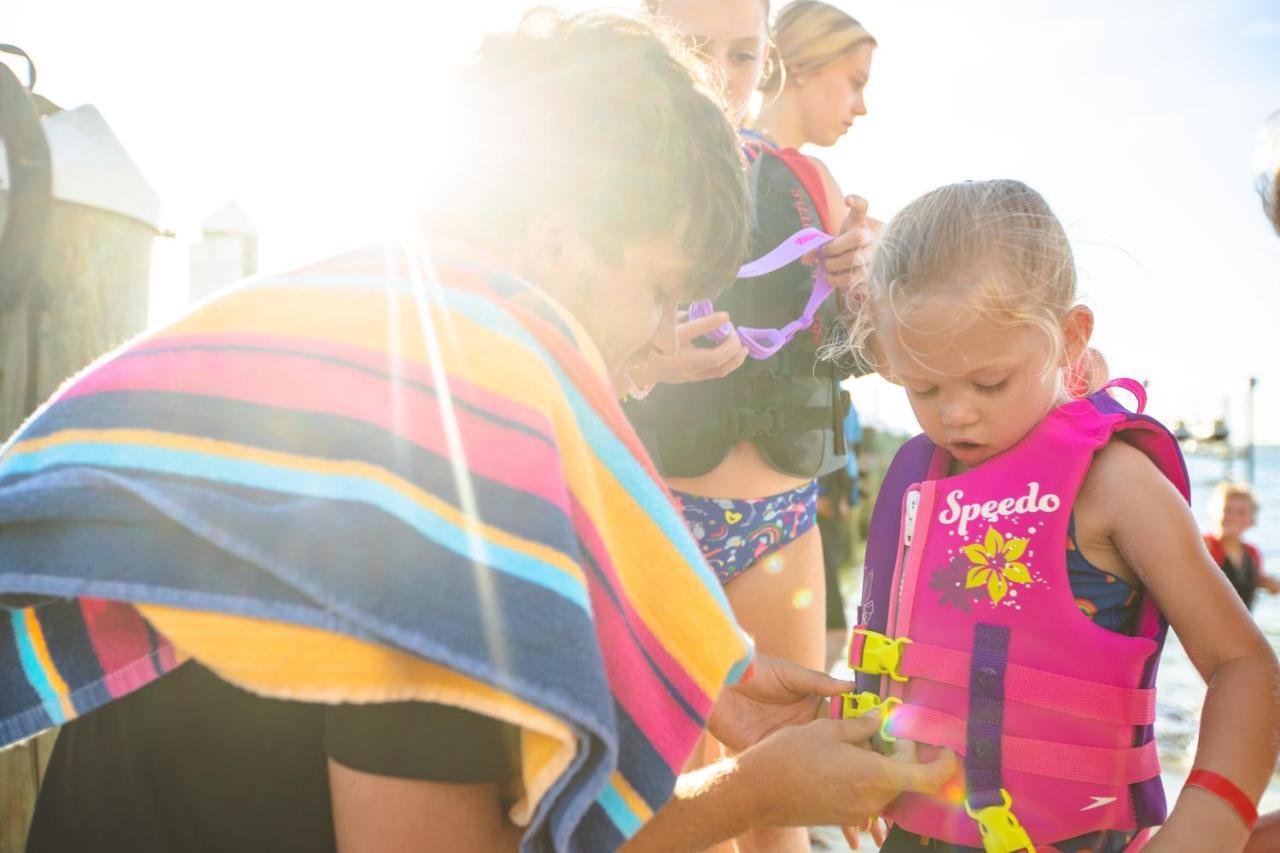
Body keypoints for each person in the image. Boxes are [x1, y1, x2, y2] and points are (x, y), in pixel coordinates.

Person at [0, 10, 956, 852]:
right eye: (663, 290)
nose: (664, 334)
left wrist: (714, 682)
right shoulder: (451, 466)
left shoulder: (348, 333)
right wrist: (761, 792)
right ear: (556, 247)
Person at [841, 179, 1279, 852]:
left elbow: (1244, 665)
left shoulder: (1112, 484)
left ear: (1070, 336)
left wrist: (1213, 818)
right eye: (922, 386)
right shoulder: (917, 482)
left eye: (990, 382)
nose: (955, 413)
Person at [1204, 481, 1280, 611]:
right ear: (1214, 512)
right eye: (1227, 510)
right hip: (1207, 624)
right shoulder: (1205, 546)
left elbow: (1252, 581)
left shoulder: (1252, 553)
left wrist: (1269, 584)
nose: (1232, 517)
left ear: (1252, 520)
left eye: (1241, 513)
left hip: (1241, 625)